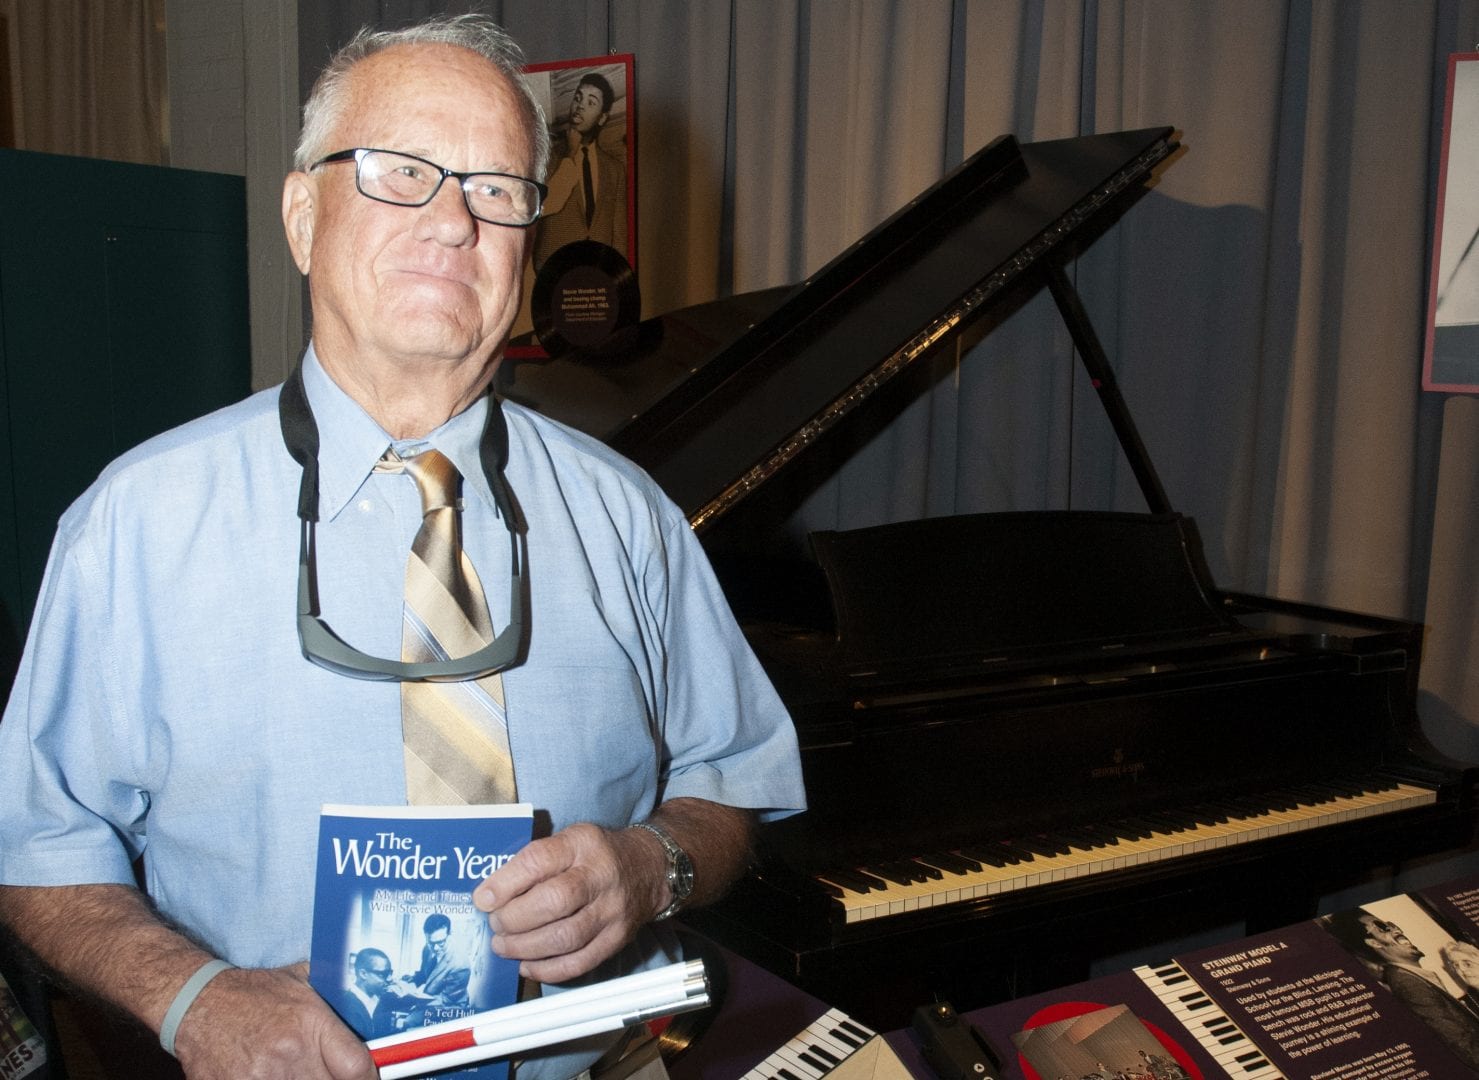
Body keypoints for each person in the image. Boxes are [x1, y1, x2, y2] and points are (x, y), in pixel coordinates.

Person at [0, 14, 804, 1080]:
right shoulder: (134, 527)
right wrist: (196, 1000)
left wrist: (650, 864)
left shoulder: (630, 518)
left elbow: (728, 787)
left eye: (496, 188)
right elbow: (38, 852)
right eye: (398, 172)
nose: (453, 222)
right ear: (301, 215)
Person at [1323, 908, 1479, 1071]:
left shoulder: (1414, 976)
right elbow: (1466, 1047)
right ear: (1374, 943)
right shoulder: (1407, 983)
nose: (1395, 928)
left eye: (1389, 924)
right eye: (1382, 927)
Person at [532, 71, 629, 270]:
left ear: (602, 118)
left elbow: (619, 234)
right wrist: (571, 152)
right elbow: (544, 206)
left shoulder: (615, 169)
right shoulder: (546, 158)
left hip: (599, 274)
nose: (580, 106)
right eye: (577, 98)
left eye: (591, 102)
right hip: (554, 274)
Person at [339, 949, 394, 1040]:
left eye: (389, 973)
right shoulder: (347, 1008)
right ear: (363, 974)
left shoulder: (378, 1000)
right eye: (382, 974)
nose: (390, 979)